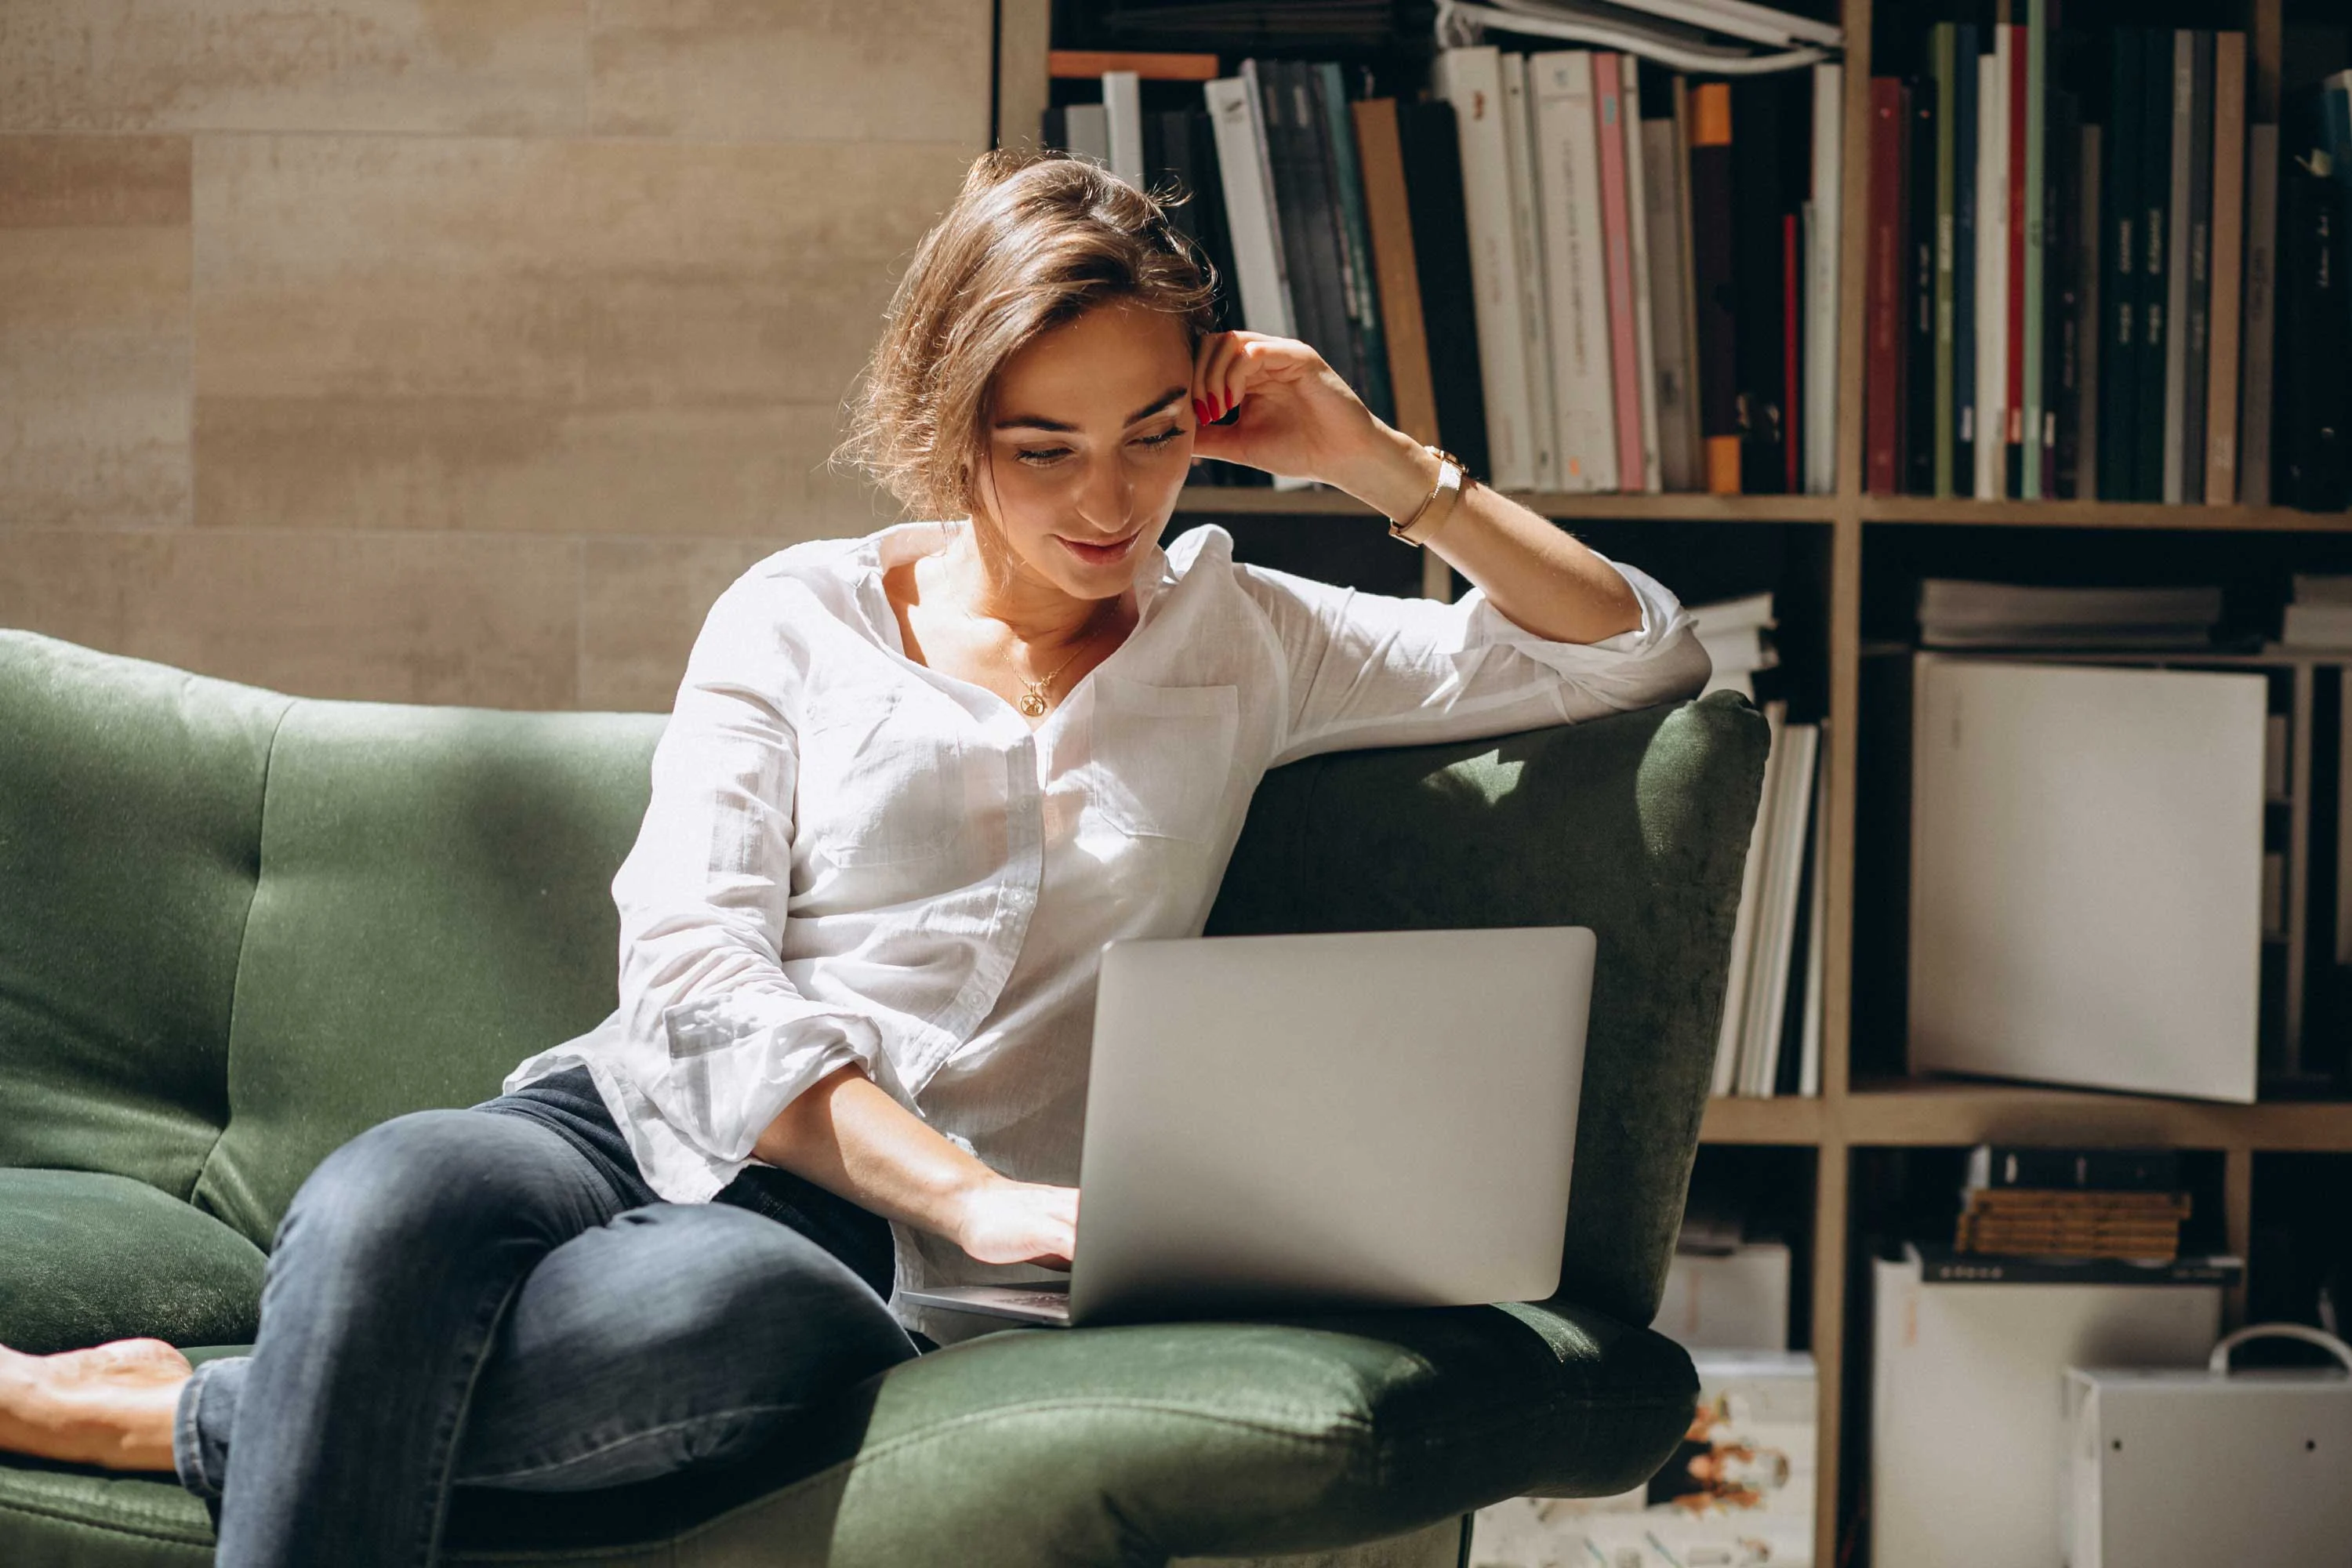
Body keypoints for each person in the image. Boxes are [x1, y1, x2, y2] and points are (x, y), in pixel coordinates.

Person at [0, 147, 1709, 1566]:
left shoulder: (1247, 639)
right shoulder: (802, 613)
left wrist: (1381, 463)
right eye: (1043, 445)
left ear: (1207, 417)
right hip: (639, 1119)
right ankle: (242, 1387)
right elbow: (690, 971)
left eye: (1151, 437)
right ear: (950, 418)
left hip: (838, 1256)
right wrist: (964, 1184)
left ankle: (170, 1409)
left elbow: (1631, 652)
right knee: (385, 1197)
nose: (1105, 502)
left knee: (706, 1322)